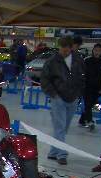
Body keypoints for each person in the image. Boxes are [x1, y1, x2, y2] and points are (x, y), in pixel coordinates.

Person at [40, 35, 85, 165]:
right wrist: (53, 94)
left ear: (71, 48)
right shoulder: (52, 61)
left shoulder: (78, 60)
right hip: (57, 98)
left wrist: (79, 93)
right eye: (62, 49)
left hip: (73, 98)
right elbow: (44, 79)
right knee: (59, 127)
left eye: (67, 49)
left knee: (64, 128)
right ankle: (62, 154)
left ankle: (53, 152)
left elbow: (82, 77)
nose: (64, 51)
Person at [79, 43, 101, 128]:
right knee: (88, 104)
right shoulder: (87, 60)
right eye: (96, 50)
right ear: (93, 50)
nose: (97, 52)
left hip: (97, 89)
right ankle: (90, 121)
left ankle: (82, 120)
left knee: (90, 105)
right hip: (86, 87)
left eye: (99, 50)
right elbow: (81, 73)